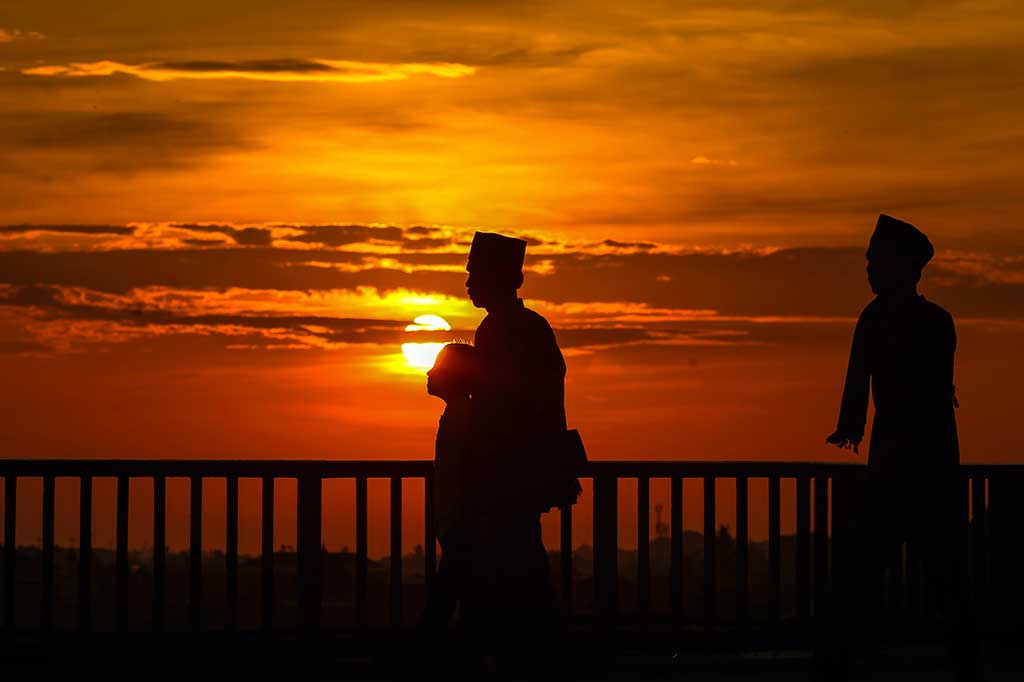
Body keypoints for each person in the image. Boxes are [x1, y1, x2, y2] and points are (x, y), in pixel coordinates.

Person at [825, 214, 975, 679]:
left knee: (876, 572)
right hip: (924, 463)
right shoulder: (930, 322)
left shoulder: (890, 322)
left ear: (901, 266)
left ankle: (852, 660)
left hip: (906, 465)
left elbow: (888, 392)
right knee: (936, 574)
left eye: (875, 260)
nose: (868, 268)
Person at [463, 231, 565, 673]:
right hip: (523, 467)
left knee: (509, 561)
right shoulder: (527, 326)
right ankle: (531, 651)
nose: (467, 282)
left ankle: (522, 655)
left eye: (473, 273)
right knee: (521, 558)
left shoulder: (504, 331)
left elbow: (501, 402)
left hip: (506, 470)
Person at [419, 342, 480, 631]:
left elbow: (464, 471)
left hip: (462, 525)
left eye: (438, 367)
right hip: (458, 525)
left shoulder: (463, 416)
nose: (429, 372)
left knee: (444, 603)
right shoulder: (462, 412)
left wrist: (456, 522)